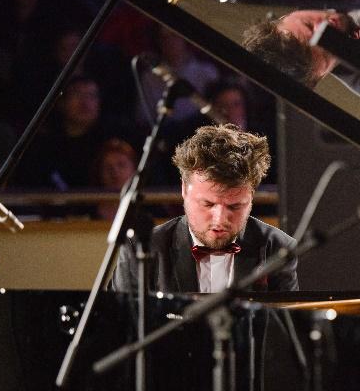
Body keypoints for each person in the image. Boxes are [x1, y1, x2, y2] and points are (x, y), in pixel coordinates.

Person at [111, 123, 298, 294]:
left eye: (234, 206)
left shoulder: (278, 247)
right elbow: (123, 319)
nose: (220, 219)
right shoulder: (141, 249)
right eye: (208, 204)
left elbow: (285, 321)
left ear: (251, 196)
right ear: (184, 189)